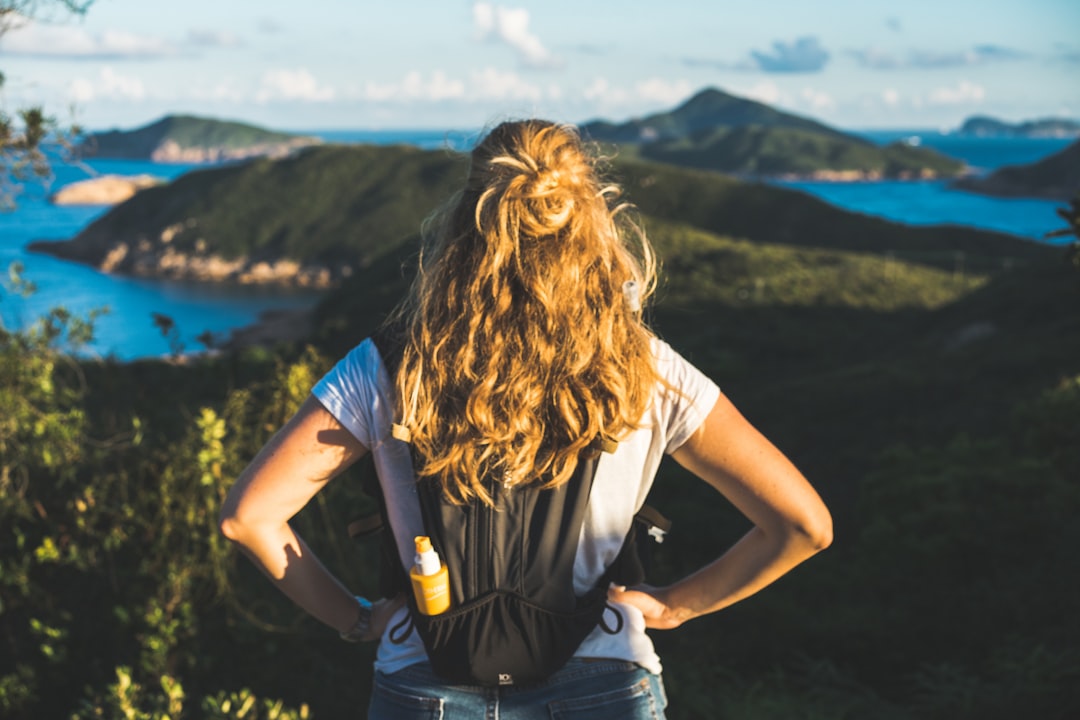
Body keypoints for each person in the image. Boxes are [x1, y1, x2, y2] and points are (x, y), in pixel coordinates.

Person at [219, 119, 832, 719]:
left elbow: (248, 518)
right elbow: (803, 525)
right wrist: (675, 606)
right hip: (603, 684)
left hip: (424, 682)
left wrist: (356, 619)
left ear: (464, 222)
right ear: (592, 222)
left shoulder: (388, 365)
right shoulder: (643, 367)